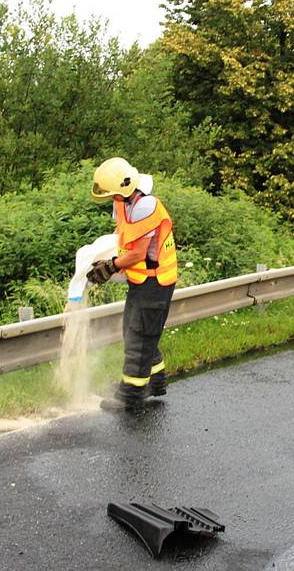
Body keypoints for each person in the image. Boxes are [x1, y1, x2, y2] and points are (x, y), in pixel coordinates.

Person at [87, 157, 178, 410]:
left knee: (139, 335)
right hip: (142, 279)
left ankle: (131, 395)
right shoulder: (125, 204)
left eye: (113, 194)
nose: (111, 199)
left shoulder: (144, 207)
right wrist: (104, 259)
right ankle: (156, 380)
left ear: (124, 189)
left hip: (156, 281)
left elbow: (137, 254)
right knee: (136, 331)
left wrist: (111, 266)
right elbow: (124, 240)